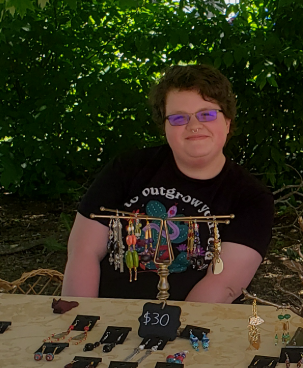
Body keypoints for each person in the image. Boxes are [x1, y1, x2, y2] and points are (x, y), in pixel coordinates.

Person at [63, 64, 274, 303]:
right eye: (178, 118)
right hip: (106, 317)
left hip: (196, 323)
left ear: (227, 122)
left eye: (207, 114)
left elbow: (224, 285)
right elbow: (83, 251)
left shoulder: (252, 198)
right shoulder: (127, 168)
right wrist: (81, 316)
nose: (194, 125)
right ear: (164, 126)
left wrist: (172, 326)